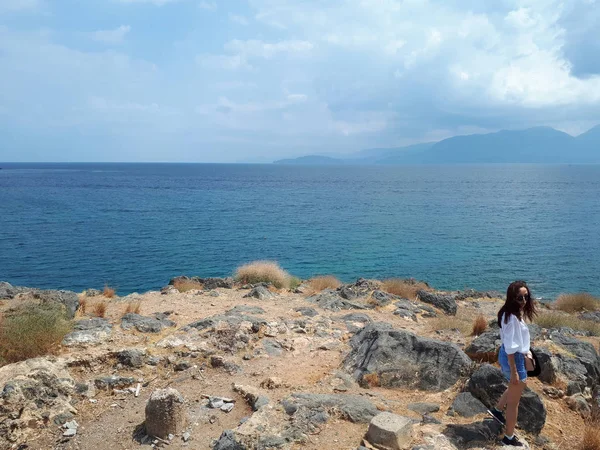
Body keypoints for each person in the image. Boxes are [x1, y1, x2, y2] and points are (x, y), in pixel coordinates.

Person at [488, 280, 537, 447]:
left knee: (513, 387)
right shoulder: (511, 318)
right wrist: (515, 371)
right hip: (513, 359)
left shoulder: (512, 313)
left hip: (513, 356)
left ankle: (496, 410)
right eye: (519, 298)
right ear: (511, 298)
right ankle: (508, 438)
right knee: (514, 403)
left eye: (526, 296)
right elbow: (510, 348)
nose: (523, 301)